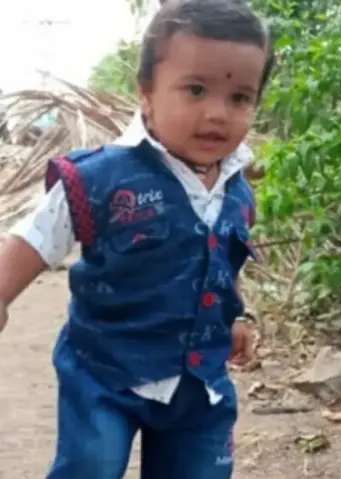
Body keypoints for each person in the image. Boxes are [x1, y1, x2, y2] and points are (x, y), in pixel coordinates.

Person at [0, 0, 274, 477]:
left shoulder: (237, 190)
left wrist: (232, 317)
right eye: (195, 89)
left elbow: (218, 264)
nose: (217, 114)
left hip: (198, 388)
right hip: (105, 373)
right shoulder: (100, 177)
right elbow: (37, 237)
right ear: (146, 92)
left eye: (240, 98)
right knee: (91, 467)